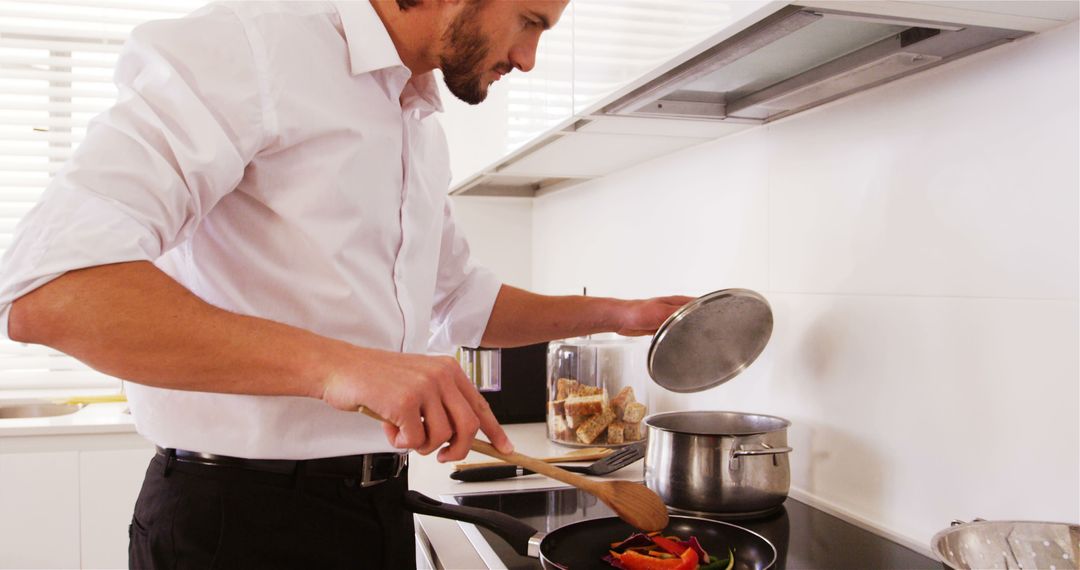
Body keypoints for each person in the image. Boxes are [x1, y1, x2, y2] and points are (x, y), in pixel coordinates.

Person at [0, 1, 692, 568]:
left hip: (375, 510)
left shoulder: (416, 122)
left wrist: (620, 312)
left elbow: (459, 299)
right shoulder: (252, 52)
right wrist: (345, 368)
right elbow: (52, 291)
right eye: (532, 20)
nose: (529, 57)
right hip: (236, 526)